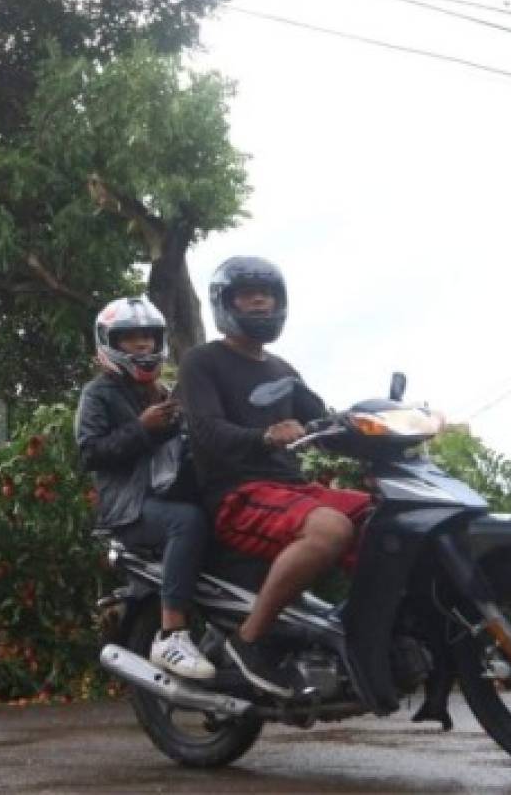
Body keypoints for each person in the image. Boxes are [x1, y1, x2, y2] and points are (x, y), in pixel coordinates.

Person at [177, 256, 371, 697]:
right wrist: (265, 437)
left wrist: (375, 429)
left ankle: (358, 632)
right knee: (329, 528)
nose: (260, 301)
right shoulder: (202, 362)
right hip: (238, 493)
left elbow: (323, 421)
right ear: (225, 304)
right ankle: (250, 641)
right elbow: (205, 429)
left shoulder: (283, 371)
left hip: (293, 491)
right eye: (248, 294)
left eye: (268, 294)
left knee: (388, 519)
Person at [75, 295, 215, 681]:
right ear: (110, 344)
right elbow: (90, 453)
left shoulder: (165, 392)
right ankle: (171, 632)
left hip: (168, 493)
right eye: (130, 339)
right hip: (130, 507)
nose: (142, 346)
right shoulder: (98, 394)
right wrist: (142, 428)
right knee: (187, 523)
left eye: (148, 338)